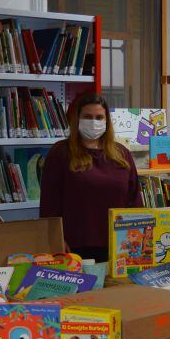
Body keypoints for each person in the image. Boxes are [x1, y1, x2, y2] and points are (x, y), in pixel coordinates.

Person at [39, 91, 142, 262]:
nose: (94, 122)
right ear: (77, 119)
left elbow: (134, 200)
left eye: (99, 117)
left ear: (107, 121)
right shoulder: (61, 153)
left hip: (120, 245)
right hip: (75, 246)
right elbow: (49, 203)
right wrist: (56, 239)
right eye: (88, 116)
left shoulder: (121, 154)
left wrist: (138, 237)